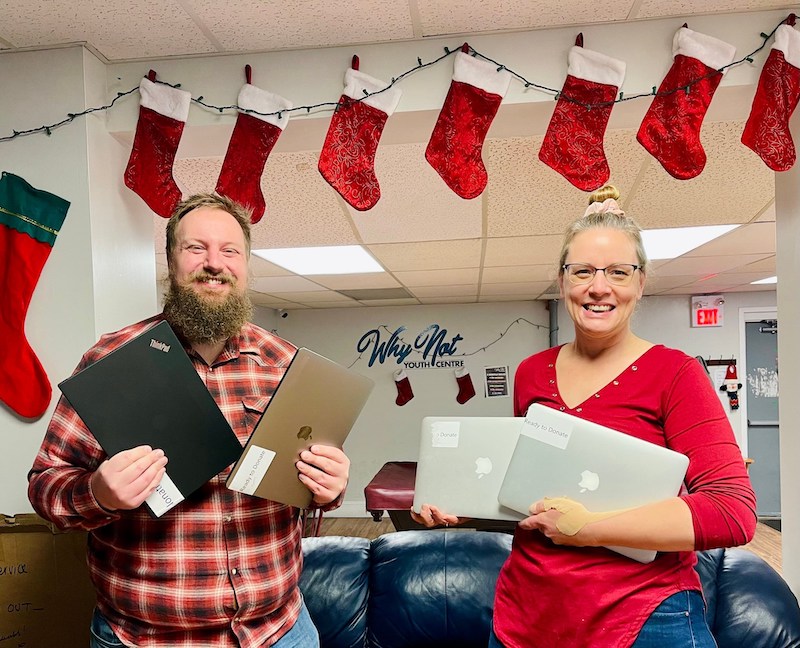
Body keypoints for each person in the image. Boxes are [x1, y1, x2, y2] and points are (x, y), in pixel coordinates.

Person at [412, 185, 757, 648]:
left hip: (643, 617)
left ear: (640, 281)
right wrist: (461, 506)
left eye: (618, 271)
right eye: (583, 271)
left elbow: (732, 512)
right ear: (561, 281)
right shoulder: (532, 373)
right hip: (525, 617)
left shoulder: (677, 374)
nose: (599, 287)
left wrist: (587, 530)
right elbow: (529, 498)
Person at [28, 193, 350, 648]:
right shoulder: (112, 360)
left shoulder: (286, 364)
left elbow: (310, 486)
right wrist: (97, 492)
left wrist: (331, 486)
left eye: (229, 251)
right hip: (145, 638)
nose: (213, 263)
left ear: (246, 265)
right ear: (171, 262)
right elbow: (45, 487)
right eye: (195, 248)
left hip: (278, 632)